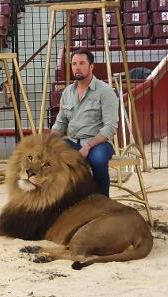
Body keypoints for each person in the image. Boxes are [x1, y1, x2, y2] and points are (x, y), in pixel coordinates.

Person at [51, 48, 119, 196]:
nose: (77, 67)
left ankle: (102, 203)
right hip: (73, 141)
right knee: (51, 158)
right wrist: (50, 140)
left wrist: (88, 146)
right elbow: (61, 122)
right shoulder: (67, 92)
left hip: (98, 142)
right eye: (74, 64)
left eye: (82, 63)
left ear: (91, 66)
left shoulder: (105, 92)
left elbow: (110, 127)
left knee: (98, 161)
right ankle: (68, 201)